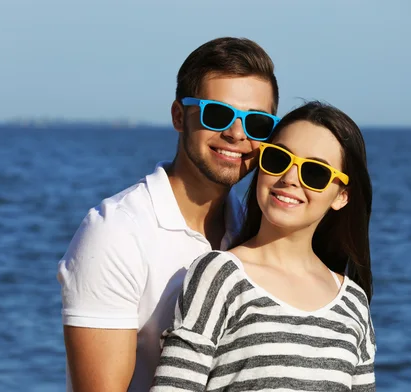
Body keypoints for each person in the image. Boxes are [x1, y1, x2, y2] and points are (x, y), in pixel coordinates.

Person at [57, 37, 280, 392]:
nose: (237, 134)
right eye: (217, 114)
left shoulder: (256, 232)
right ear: (179, 116)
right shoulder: (117, 231)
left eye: (257, 123)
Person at [151, 101, 377, 391]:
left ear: (341, 196)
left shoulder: (353, 304)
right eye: (278, 159)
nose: (289, 179)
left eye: (315, 173)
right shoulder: (221, 276)